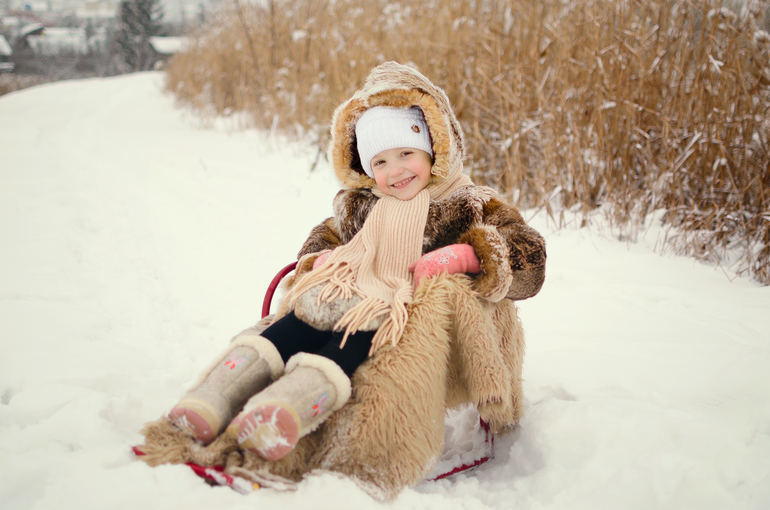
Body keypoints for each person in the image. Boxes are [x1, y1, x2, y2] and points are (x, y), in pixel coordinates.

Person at [167, 62, 546, 463]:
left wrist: (471, 256)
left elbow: (530, 257)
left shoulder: (471, 203)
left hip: (428, 333)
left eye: (406, 153)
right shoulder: (363, 207)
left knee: (357, 332)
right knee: (307, 316)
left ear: (435, 147)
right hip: (364, 300)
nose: (395, 171)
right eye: (379, 162)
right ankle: (216, 395)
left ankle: (286, 408)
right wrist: (321, 259)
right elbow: (326, 236)